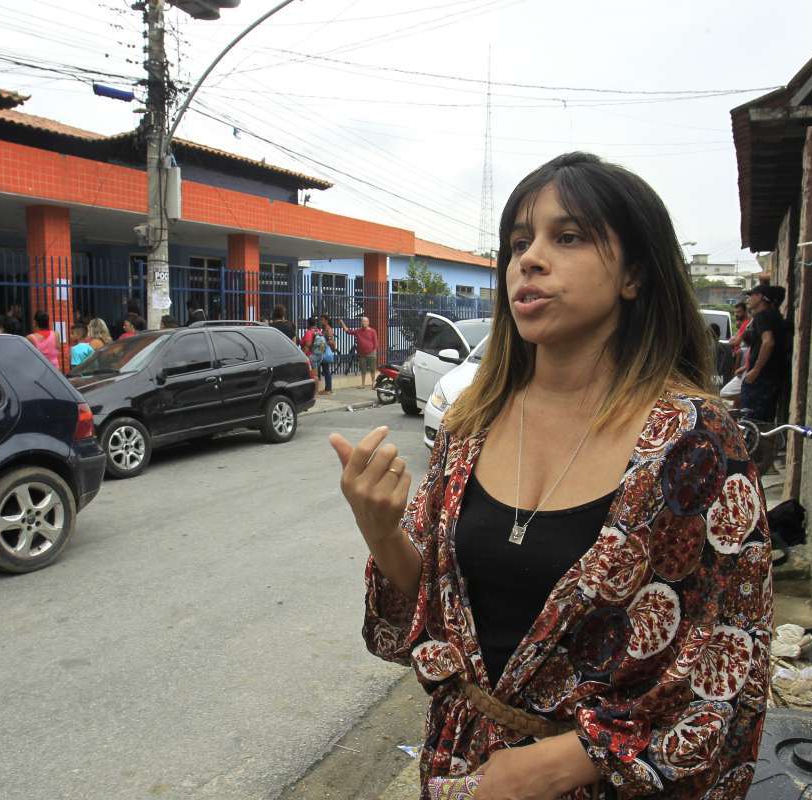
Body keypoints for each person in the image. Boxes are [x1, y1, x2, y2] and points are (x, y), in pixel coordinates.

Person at [329, 152, 771, 800]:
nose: (529, 260)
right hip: (462, 773)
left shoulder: (695, 445)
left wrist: (554, 766)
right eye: (518, 243)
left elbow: (734, 664)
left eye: (567, 237)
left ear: (634, 273)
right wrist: (380, 529)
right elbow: (433, 604)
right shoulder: (470, 425)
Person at [737, 284, 787, 423]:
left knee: (751, 421)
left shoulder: (763, 317)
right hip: (771, 376)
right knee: (762, 421)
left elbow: (768, 342)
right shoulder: (774, 315)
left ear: (760, 297)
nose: (749, 299)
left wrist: (756, 370)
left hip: (762, 377)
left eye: (751, 295)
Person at [345, 316, 379, 389]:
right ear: (361, 322)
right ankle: (363, 384)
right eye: (362, 321)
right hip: (361, 353)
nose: (364, 323)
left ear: (368, 322)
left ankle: (373, 383)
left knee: (372, 369)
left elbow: (376, 343)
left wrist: (374, 351)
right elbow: (348, 331)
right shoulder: (358, 331)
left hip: (371, 353)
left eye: (365, 321)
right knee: (363, 369)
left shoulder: (372, 331)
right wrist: (342, 323)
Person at [316, 313, 338, 395]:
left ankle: (328, 389)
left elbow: (330, 341)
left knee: (326, 370)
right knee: (325, 370)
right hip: (322, 351)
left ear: (326, 320)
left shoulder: (328, 329)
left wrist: (323, 342)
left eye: (322, 320)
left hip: (325, 352)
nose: (321, 321)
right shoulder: (324, 328)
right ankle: (327, 388)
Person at [301, 315, 325, 386]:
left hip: (311, 356)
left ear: (308, 324)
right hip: (319, 355)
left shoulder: (309, 332)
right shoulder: (319, 331)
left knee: (314, 376)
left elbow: (307, 345)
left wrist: (302, 355)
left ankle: (315, 392)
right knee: (314, 374)